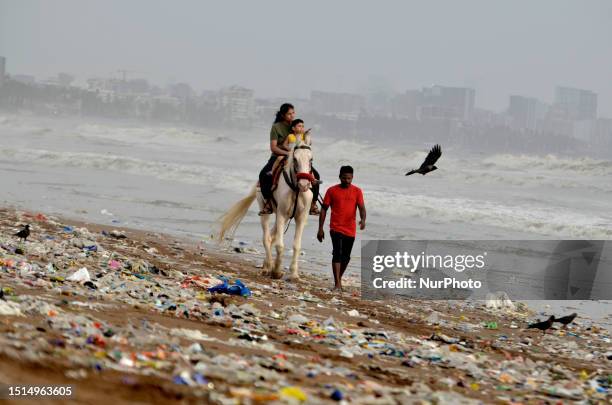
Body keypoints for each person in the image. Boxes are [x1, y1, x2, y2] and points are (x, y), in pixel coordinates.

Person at [258, 104, 320, 215]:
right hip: (279, 156)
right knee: (263, 174)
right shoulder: (276, 127)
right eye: (289, 114)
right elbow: (274, 147)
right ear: (283, 115)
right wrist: (288, 153)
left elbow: (304, 143)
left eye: (293, 113)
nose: (292, 115)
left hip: (297, 158)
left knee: (316, 175)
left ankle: (313, 204)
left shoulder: (296, 125)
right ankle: (268, 203)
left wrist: (306, 136)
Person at [317, 165, 366, 291]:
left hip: (350, 229)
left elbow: (361, 207)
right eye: (344, 178)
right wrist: (320, 228)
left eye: (349, 178)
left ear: (352, 178)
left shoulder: (357, 191)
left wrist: (363, 219)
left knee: (346, 257)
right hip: (336, 228)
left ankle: (338, 279)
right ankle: (337, 284)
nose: (347, 181)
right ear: (340, 177)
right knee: (337, 254)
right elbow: (323, 210)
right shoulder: (331, 191)